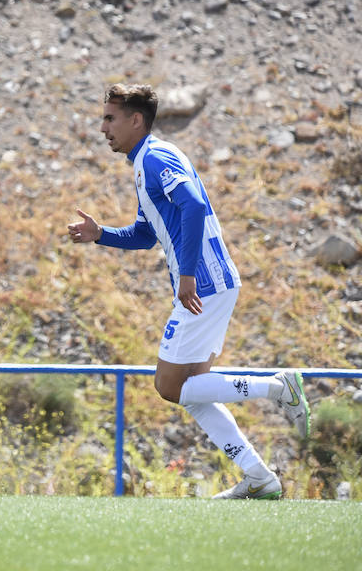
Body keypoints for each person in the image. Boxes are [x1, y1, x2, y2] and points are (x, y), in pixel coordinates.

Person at [67, 83, 310, 499]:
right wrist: (101, 234)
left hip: (205, 283)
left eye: (110, 117)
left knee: (168, 386)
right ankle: (259, 477)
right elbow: (147, 234)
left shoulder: (157, 157)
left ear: (136, 120)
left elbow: (194, 205)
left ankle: (278, 386)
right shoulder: (146, 162)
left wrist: (187, 275)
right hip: (211, 282)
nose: (103, 126)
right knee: (193, 391)